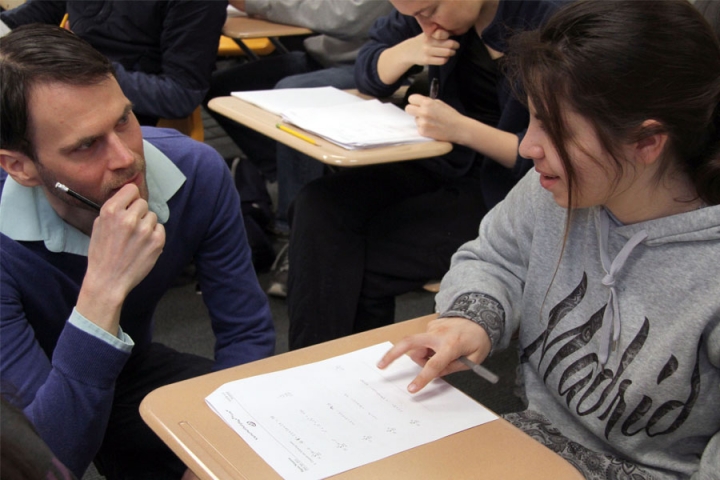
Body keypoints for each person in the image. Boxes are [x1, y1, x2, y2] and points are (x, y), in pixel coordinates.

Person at [378, 1, 720, 477]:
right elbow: (495, 256)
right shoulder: (558, 189)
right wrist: (471, 319)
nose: (526, 146)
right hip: (523, 448)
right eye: (532, 118)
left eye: (553, 129)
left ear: (646, 142)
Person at [0, 25, 275, 479]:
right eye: (86, 145)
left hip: (120, 366)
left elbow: (245, 336)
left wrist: (216, 449)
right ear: (20, 167)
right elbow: (49, 459)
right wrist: (102, 290)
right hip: (13, 395)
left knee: (259, 441)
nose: (127, 157)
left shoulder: (195, 172)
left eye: (124, 120)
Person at [286, 0, 567, 350]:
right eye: (412, 15)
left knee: (356, 261)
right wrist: (408, 50)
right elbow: (368, 70)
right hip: (446, 162)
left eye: (430, 11)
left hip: (512, 188)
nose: (424, 22)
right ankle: (307, 366)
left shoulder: (553, 17)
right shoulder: (429, 15)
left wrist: (463, 129)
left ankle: (339, 375)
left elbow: (559, 157)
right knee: (318, 204)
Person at [205, 0, 393, 239]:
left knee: (289, 94)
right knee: (224, 89)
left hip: (368, 67)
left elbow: (346, 17)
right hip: (323, 55)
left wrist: (257, 3)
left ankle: (292, 227)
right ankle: (292, 178)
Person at [0, 0, 227, 126]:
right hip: (63, 87)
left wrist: (81, 66)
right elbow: (37, 12)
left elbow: (180, 95)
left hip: (122, 116)